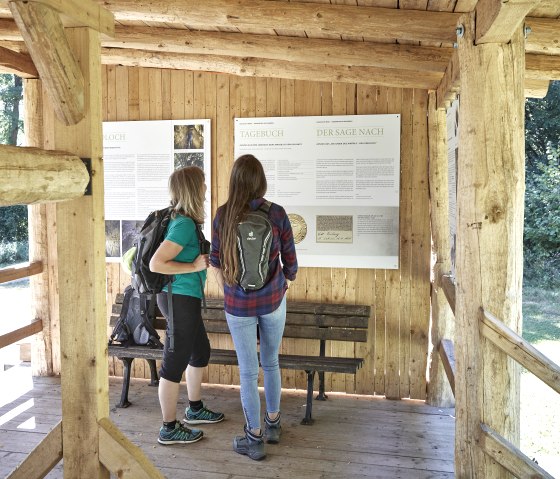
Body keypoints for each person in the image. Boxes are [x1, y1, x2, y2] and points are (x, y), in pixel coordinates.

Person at [210, 154, 298, 460]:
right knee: (271, 362)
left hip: (238, 304)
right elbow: (291, 261)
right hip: (273, 300)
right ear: (261, 180)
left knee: (248, 373)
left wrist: (231, 290)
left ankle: (254, 438)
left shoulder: (223, 215)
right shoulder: (277, 214)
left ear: (234, 180)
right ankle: (273, 424)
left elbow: (216, 260)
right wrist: (283, 283)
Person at [149, 166, 224, 445]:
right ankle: (168, 427)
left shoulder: (187, 221)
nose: (206, 188)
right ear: (193, 188)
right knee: (175, 362)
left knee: (200, 351)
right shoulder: (183, 225)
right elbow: (156, 263)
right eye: (203, 183)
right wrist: (193, 265)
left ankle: (194, 409)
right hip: (177, 297)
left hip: (185, 297)